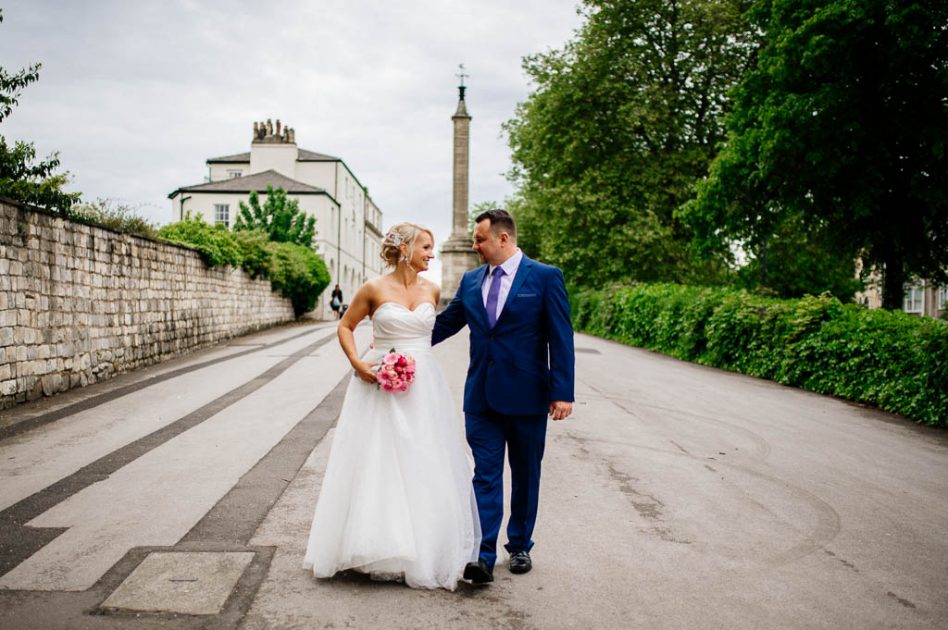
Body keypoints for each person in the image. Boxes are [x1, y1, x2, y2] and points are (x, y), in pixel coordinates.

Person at [303, 223, 480, 590]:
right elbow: (346, 326)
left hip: (423, 384)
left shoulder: (432, 288)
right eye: (427, 247)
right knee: (379, 457)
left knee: (423, 455)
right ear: (405, 249)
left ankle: (426, 547)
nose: (433, 254)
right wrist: (358, 362)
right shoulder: (373, 288)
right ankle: (376, 543)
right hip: (378, 379)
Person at [432, 208, 575, 584]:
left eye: (479, 240)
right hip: (481, 397)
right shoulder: (469, 281)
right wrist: (403, 345)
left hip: (528, 396)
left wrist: (562, 392)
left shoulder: (545, 278)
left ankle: (520, 544)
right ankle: (482, 552)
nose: (474, 246)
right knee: (486, 476)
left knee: (526, 474)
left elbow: (561, 338)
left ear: (503, 238)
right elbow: (446, 324)